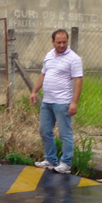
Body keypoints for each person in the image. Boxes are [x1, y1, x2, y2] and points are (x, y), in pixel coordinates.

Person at [29, 29, 83, 174]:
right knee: (45, 131)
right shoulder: (49, 55)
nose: (61, 45)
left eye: (64, 42)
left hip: (62, 102)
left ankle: (65, 163)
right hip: (47, 101)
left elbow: (78, 81)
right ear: (53, 42)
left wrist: (74, 102)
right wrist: (34, 91)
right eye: (58, 42)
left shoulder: (74, 58)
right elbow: (43, 75)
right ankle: (51, 160)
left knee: (65, 134)